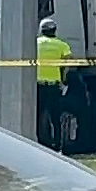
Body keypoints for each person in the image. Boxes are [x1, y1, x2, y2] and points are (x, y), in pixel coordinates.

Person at [36, 18, 71, 151]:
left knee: (38, 116)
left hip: (38, 85)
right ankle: (57, 145)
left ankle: (39, 143)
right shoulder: (62, 45)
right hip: (54, 86)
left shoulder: (35, 44)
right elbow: (67, 66)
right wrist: (63, 81)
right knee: (55, 117)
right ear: (54, 30)